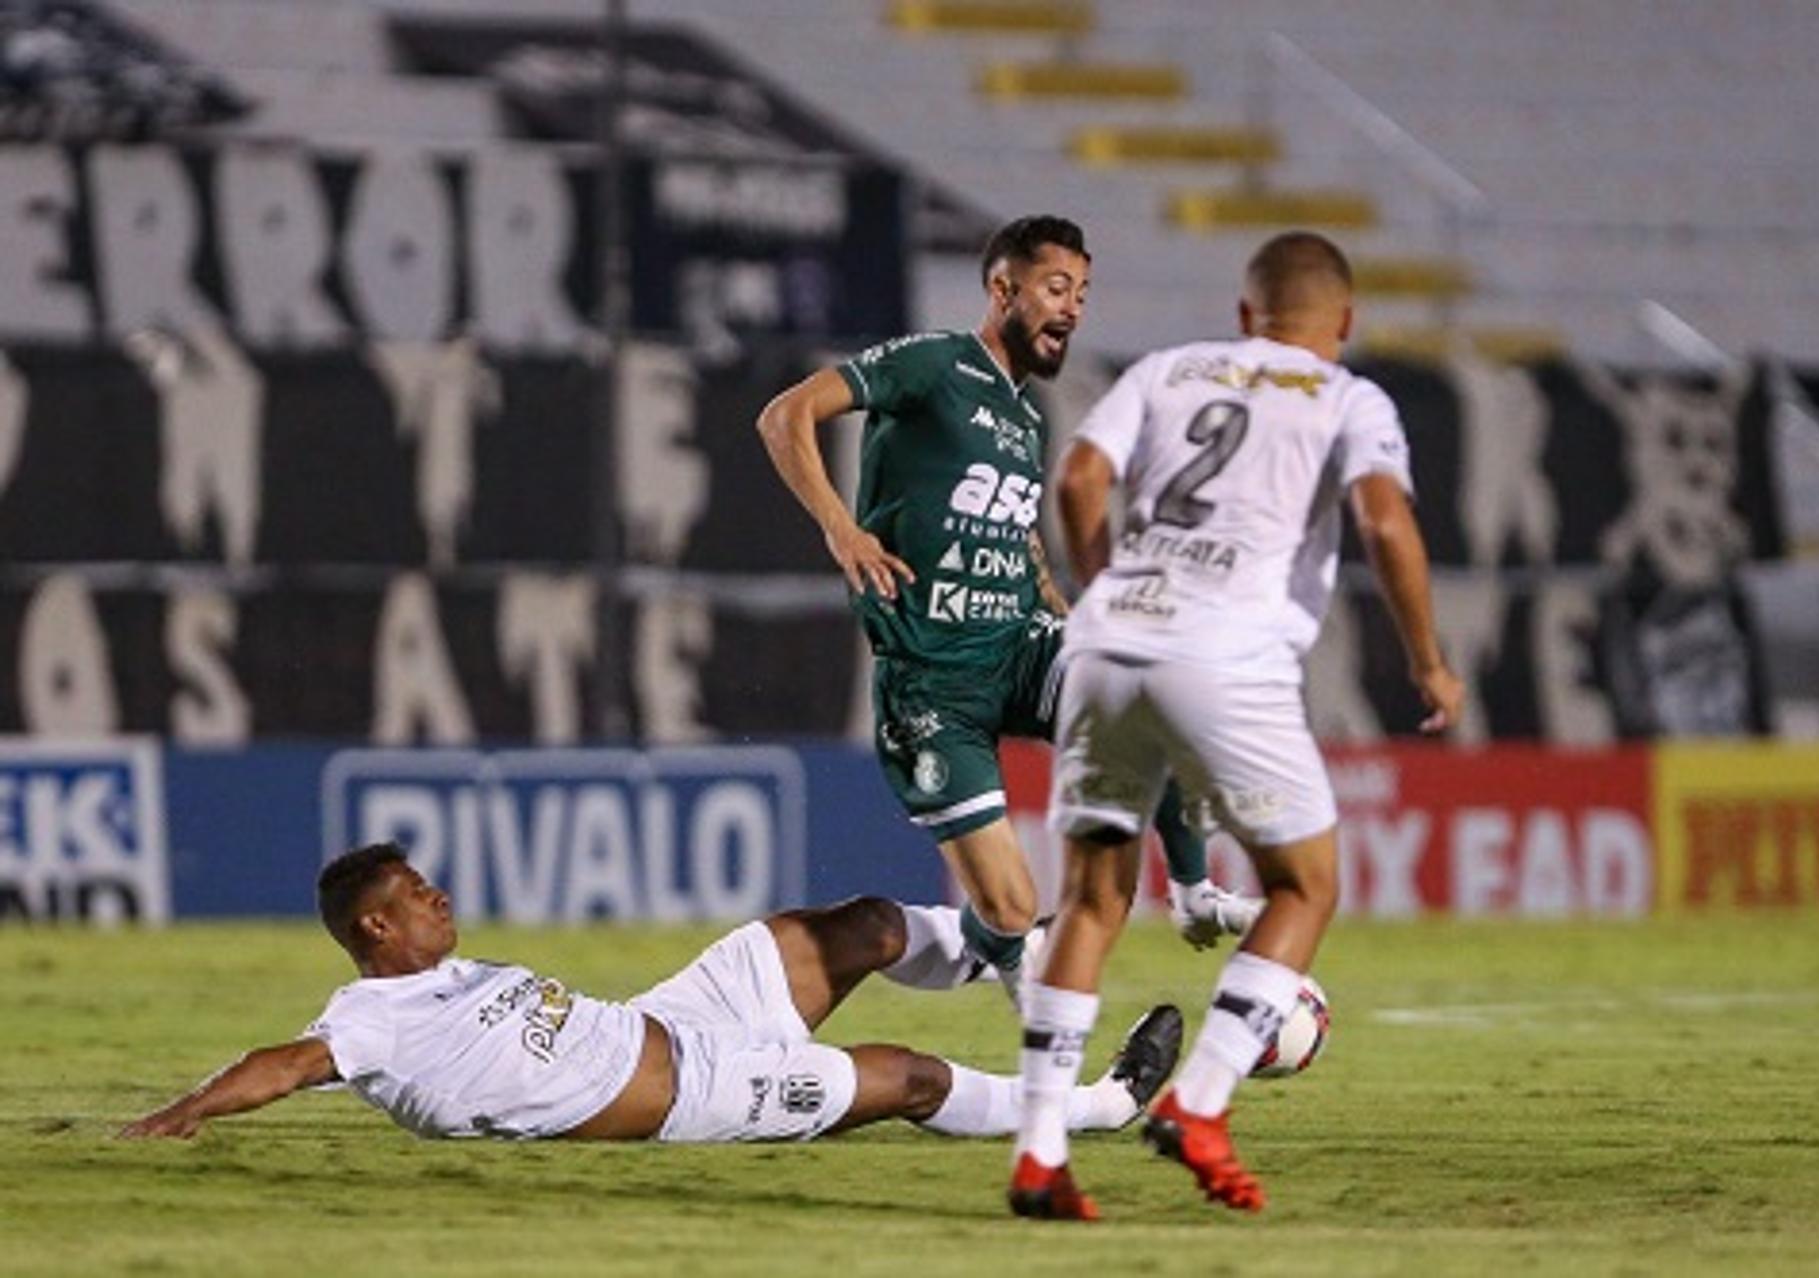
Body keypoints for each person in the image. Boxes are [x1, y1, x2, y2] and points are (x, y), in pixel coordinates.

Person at [1007, 231, 1465, 1219]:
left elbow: (1079, 479)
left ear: (1247, 314)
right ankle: (1202, 1103)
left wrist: (1107, 596)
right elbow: (1385, 522)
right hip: (1226, 656)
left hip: (1105, 647)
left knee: (1092, 901)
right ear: (1341, 325)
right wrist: (1428, 660)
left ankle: (1040, 1154)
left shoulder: (1168, 369)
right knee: (1306, 882)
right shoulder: (1349, 397)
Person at [756, 215, 1258, 997]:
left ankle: (1193, 893)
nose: (1072, 308)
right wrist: (841, 530)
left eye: (1082, 294)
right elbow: (783, 416)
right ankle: (971, 948)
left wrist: (1054, 596)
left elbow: (1011, 522)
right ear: (1002, 288)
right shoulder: (932, 364)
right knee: (1011, 910)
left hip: (1019, 648)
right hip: (932, 685)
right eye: (1056, 288)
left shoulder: (1025, 417)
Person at [119, 842, 1183, 1146]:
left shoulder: (447, 976)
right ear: (375, 932)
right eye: (417, 894)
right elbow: (287, 1065)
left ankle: (1004, 951)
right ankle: (1102, 1108)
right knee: (902, 1077)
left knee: (860, 925)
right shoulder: (371, 1018)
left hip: (673, 1019)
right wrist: (185, 1112)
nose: (440, 897)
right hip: (697, 1095)